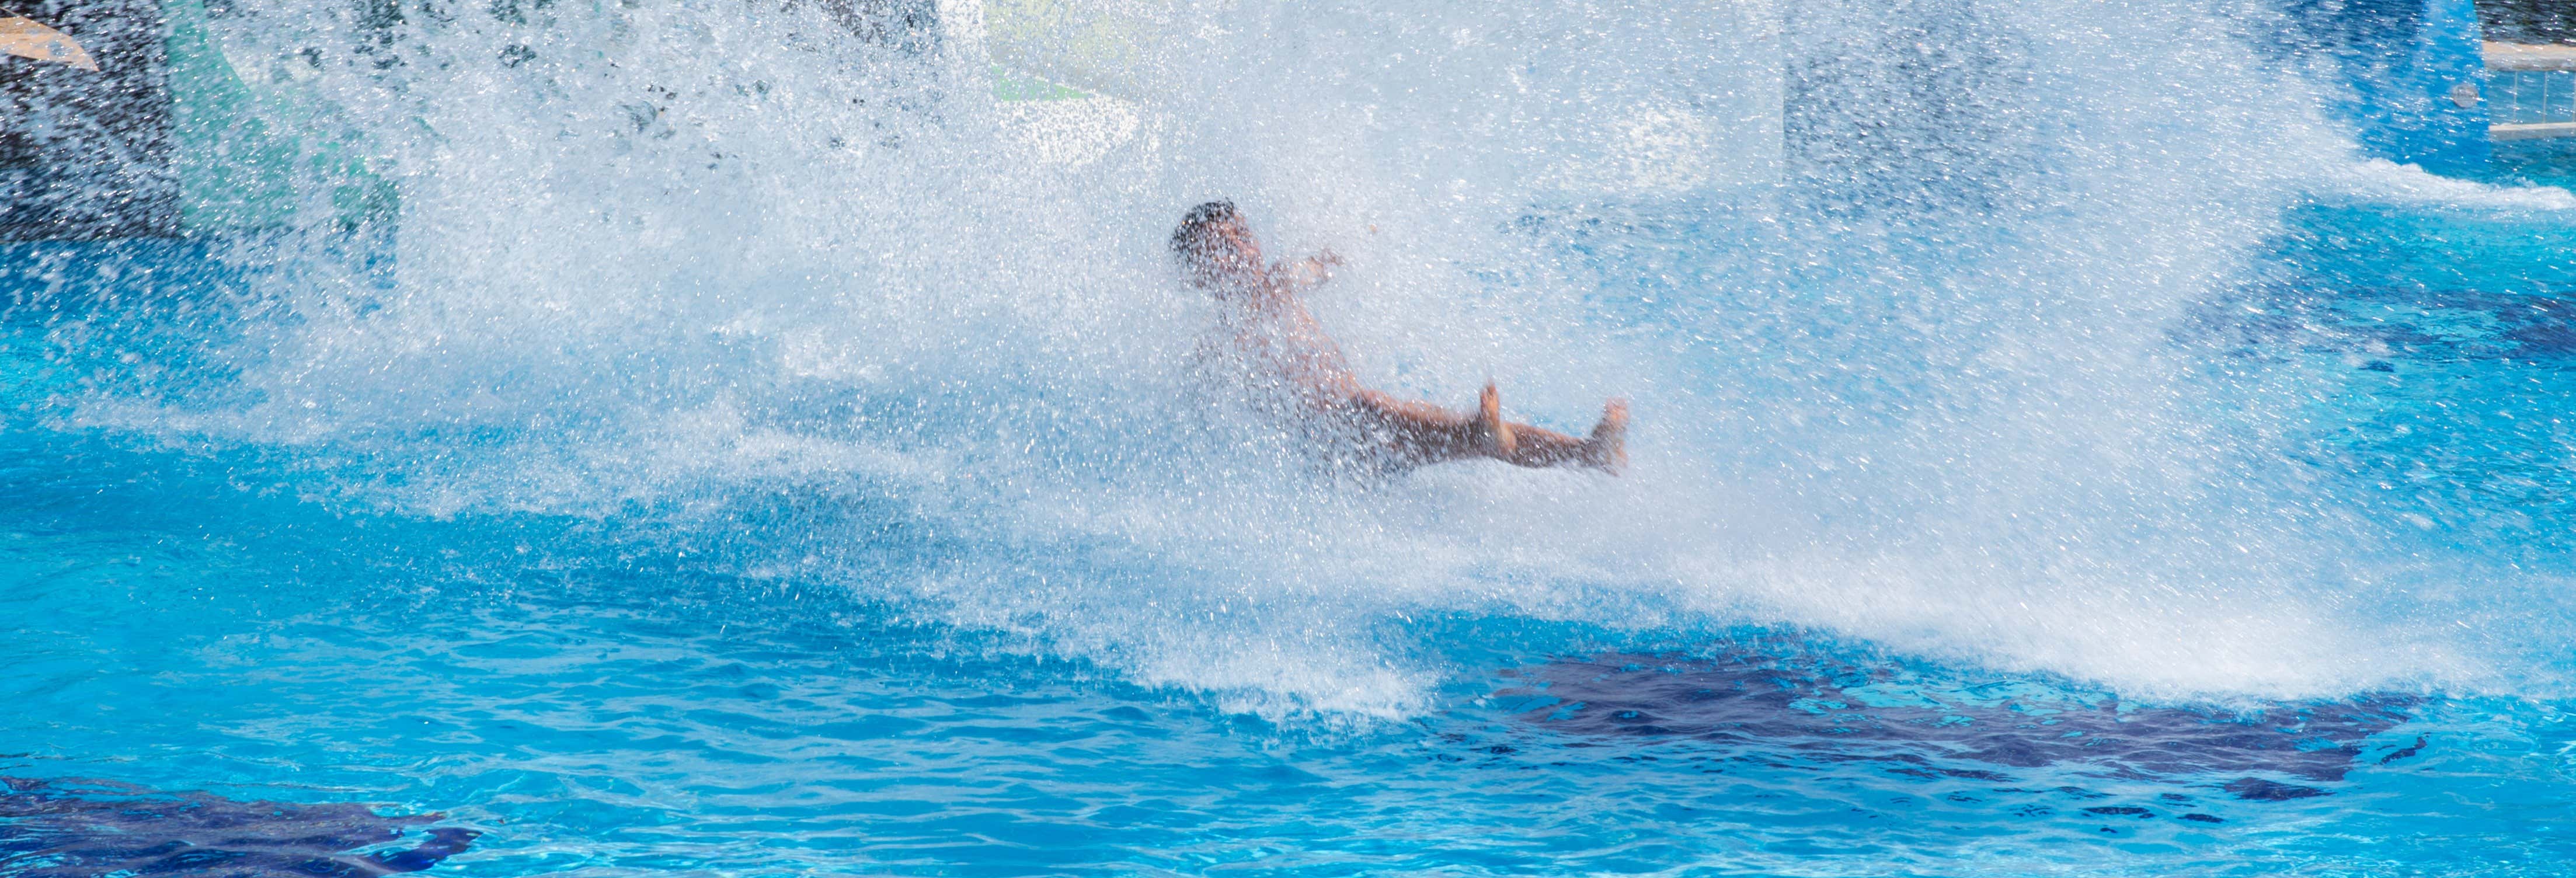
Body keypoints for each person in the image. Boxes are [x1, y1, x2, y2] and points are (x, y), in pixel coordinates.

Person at [1173, 200, 1626, 475]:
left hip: (1365, 428)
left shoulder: (1278, 285)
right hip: (1334, 448)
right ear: (1200, 275)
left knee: (1452, 428)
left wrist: (1353, 243)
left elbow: (1321, 266)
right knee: (1388, 411)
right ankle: (1513, 441)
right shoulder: (1221, 343)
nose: (1241, 249)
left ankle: (1588, 453)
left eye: (1243, 235)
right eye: (1223, 246)